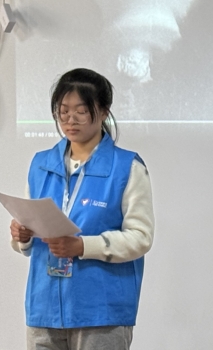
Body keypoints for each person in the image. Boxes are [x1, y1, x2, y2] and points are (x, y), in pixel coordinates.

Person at [10, 68, 154, 350]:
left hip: (101, 311)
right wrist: (21, 236)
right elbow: (27, 236)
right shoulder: (41, 164)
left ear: (103, 111)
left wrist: (82, 246)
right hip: (44, 308)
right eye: (63, 112)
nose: (70, 120)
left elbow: (141, 237)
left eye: (81, 111)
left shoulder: (127, 167)